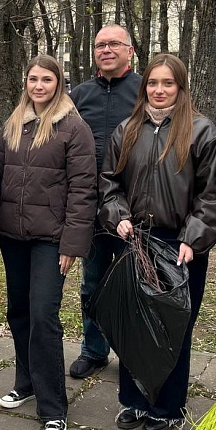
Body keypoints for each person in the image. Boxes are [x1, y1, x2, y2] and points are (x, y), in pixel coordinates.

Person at [99, 54, 216, 430]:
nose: (159, 90)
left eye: (167, 84)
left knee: (173, 326)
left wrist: (194, 237)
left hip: (178, 245)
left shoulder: (201, 132)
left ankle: (168, 405)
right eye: (153, 83)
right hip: (134, 241)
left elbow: (211, 196)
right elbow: (109, 183)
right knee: (133, 323)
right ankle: (134, 401)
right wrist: (118, 215)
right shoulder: (127, 130)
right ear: (144, 87)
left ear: (180, 87)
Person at [0, 55, 97, 430]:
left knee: (43, 314)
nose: (38, 86)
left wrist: (72, 244)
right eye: (32, 78)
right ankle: (27, 381)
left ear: (58, 83)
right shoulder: (14, 123)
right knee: (18, 311)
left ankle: (53, 406)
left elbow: (84, 190)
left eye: (46, 79)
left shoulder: (73, 127)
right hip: (13, 237)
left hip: (51, 240)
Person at [67, 23, 142, 379]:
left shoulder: (145, 91)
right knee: (92, 282)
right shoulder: (79, 95)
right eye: (100, 45)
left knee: (133, 282)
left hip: (136, 207)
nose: (107, 49)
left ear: (130, 50)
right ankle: (94, 350)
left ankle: (133, 353)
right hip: (90, 206)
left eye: (114, 44)